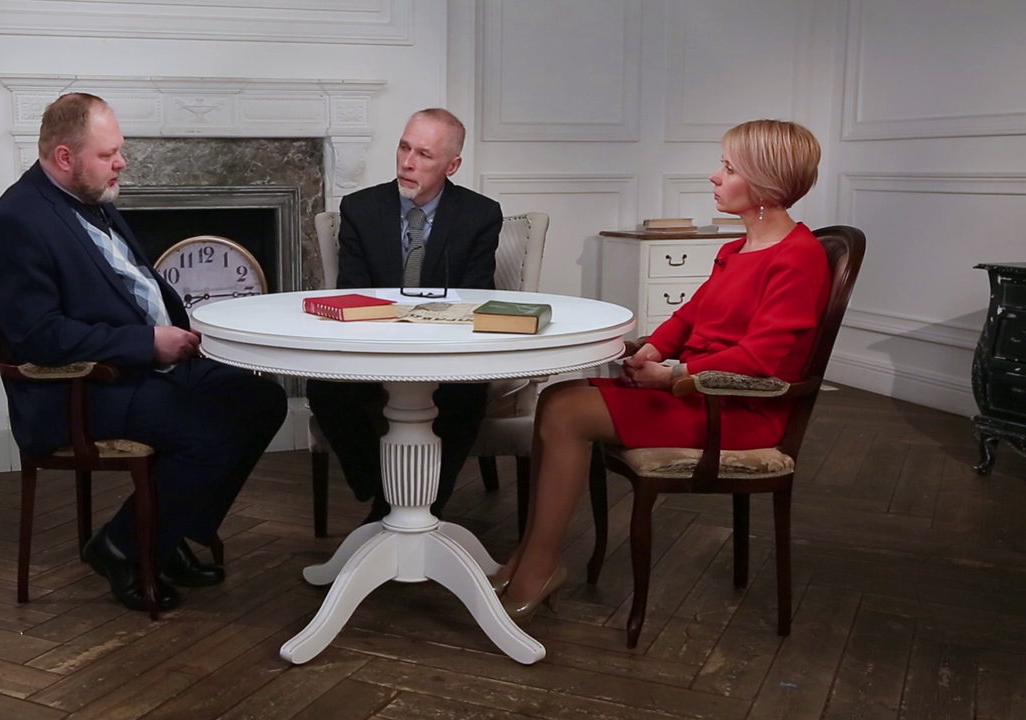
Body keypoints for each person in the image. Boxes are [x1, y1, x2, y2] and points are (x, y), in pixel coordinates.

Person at [495, 119, 829, 620]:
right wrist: (654, 350)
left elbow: (760, 359)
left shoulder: (798, 257)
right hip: (700, 392)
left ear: (764, 183)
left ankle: (540, 565)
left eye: (729, 168)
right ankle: (531, 554)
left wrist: (676, 374)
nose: (715, 176)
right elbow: (690, 315)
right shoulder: (736, 249)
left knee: (565, 411)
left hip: (737, 410)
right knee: (555, 397)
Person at [0, 93, 288, 612]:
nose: (121, 162)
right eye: (108, 154)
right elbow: (39, 337)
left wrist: (184, 331)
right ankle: (123, 547)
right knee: (209, 431)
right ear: (64, 157)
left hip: (141, 369)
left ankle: (165, 536)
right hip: (80, 389)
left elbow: (140, 284)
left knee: (263, 401)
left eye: (119, 150)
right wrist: (147, 343)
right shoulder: (17, 221)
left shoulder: (92, 196)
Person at [306, 108, 502, 522]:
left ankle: (411, 510)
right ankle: (382, 489)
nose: (407, 163)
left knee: (465, 397)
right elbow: (353, 293)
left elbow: (477, 296)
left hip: (446, 354)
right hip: (374, 349)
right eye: (403, 148)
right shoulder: (360, 208)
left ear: (452, 166)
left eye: (424, 154)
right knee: (324, 388)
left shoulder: (480, 215)